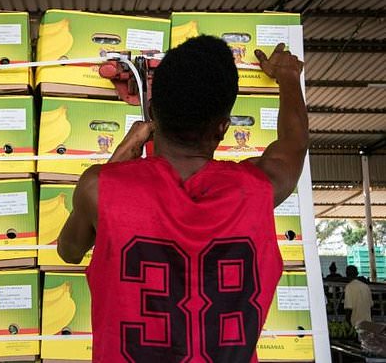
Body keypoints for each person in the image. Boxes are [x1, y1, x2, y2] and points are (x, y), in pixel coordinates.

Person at [57, 36, 308, 362]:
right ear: (223, 128)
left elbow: (69, 251)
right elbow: (294, 143)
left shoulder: (99, 188)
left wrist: (120, 158)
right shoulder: (260, 189)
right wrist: (287, 76)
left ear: (153, 117)